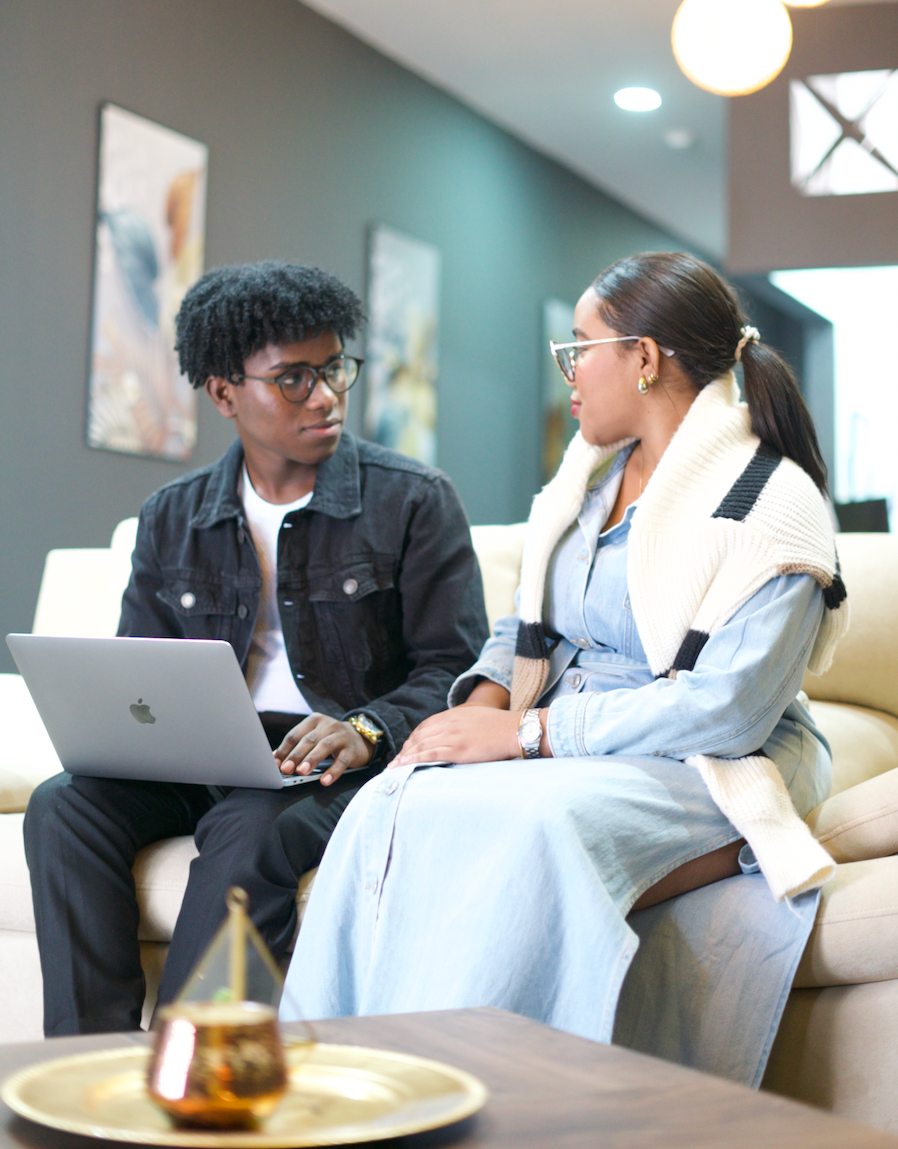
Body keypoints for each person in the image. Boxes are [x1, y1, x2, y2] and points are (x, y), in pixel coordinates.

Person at [280, 252, 848, 1089]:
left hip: (712, 755)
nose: (569, 372)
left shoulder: (773, 504)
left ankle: (463, 1098)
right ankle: (329, 1081)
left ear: (644, 358)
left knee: (533, 830)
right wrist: (477, 705)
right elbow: (526, 620)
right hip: (572, 735)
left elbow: (728, 711)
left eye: (580, 347)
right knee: (389, 802)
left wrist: (529, 732)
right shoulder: (587, 482)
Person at [24, 260, 488, 1036]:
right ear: (224, 392)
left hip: (333, 758)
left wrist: (365, 729)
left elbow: (454, 669)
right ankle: (85, 1066)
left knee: (252, 829)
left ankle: (193, 1072)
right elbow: (139, 668)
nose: (329, 395)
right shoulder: (172, 516)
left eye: (336, 366)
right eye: (295, 378)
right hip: (209, 753)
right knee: (62, 806)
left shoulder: (412, 500)